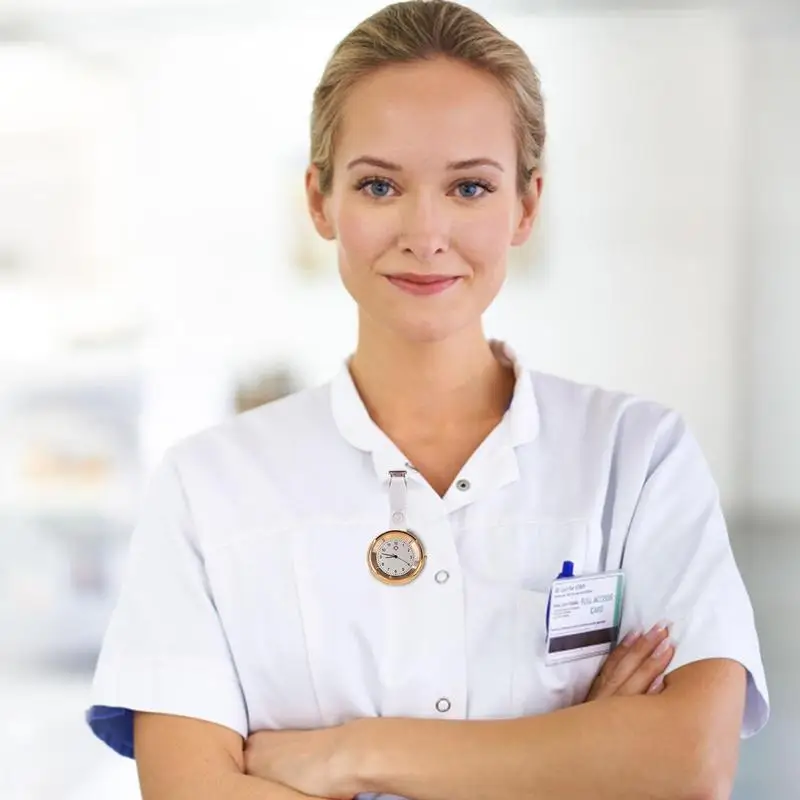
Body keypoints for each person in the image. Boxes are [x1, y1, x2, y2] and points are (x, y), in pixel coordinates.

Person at [86, 1, 769, 798]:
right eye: (379, 185)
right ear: (318, 201)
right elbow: (192, 792)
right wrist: (575, 756)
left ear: (526, 205)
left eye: (470, 188)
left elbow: (691, 763)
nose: (425, 230)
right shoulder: (209, 488)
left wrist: (349, 754)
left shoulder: (638, 457)